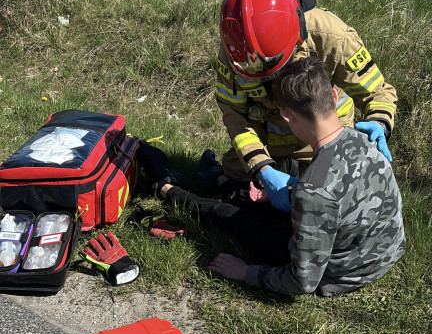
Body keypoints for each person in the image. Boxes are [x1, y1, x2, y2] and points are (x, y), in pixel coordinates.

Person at [138, 58, 405, 298]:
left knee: (233, 217)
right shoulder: (368, 138)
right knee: (259, 198)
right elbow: (342, 194)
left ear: (287, 115)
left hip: (343, 272)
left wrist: (245, 272)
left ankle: (169, 190)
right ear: (334, 97)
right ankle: (218, 182)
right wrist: (291, 195)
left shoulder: (313, 190)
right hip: (382, 253)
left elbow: (302, 281)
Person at [215, 0, 397, 201]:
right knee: (239, 191)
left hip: (324, 135)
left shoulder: (332, 37)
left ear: (297, 35)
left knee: (332, 197)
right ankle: (277, 167)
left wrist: (378, 122)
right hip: (267, 136)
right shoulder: (236, 50)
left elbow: (378, 92)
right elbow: (234, 115)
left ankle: (299, 168)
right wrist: (262, 169)